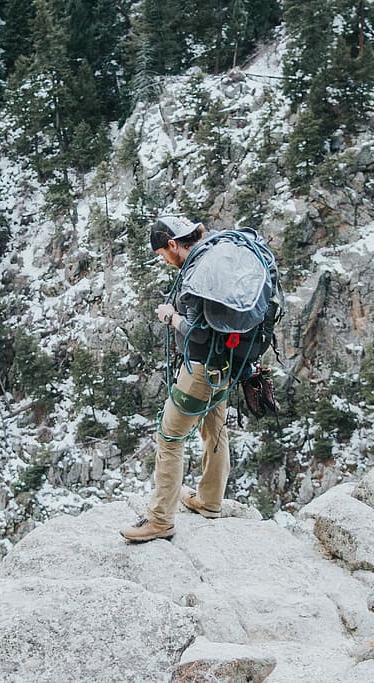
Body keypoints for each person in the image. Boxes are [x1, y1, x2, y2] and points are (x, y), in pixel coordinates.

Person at [120, 215, 231, 543]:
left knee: (169, 438)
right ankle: (210, 501)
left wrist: (171, 317)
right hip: (226, 366)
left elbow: (197, 333)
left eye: (162, 254)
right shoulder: (216, 258)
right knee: (215, 430)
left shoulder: (196, 274)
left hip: (199, 370)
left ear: (172, 244)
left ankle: (159, 520)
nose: (164, 260)